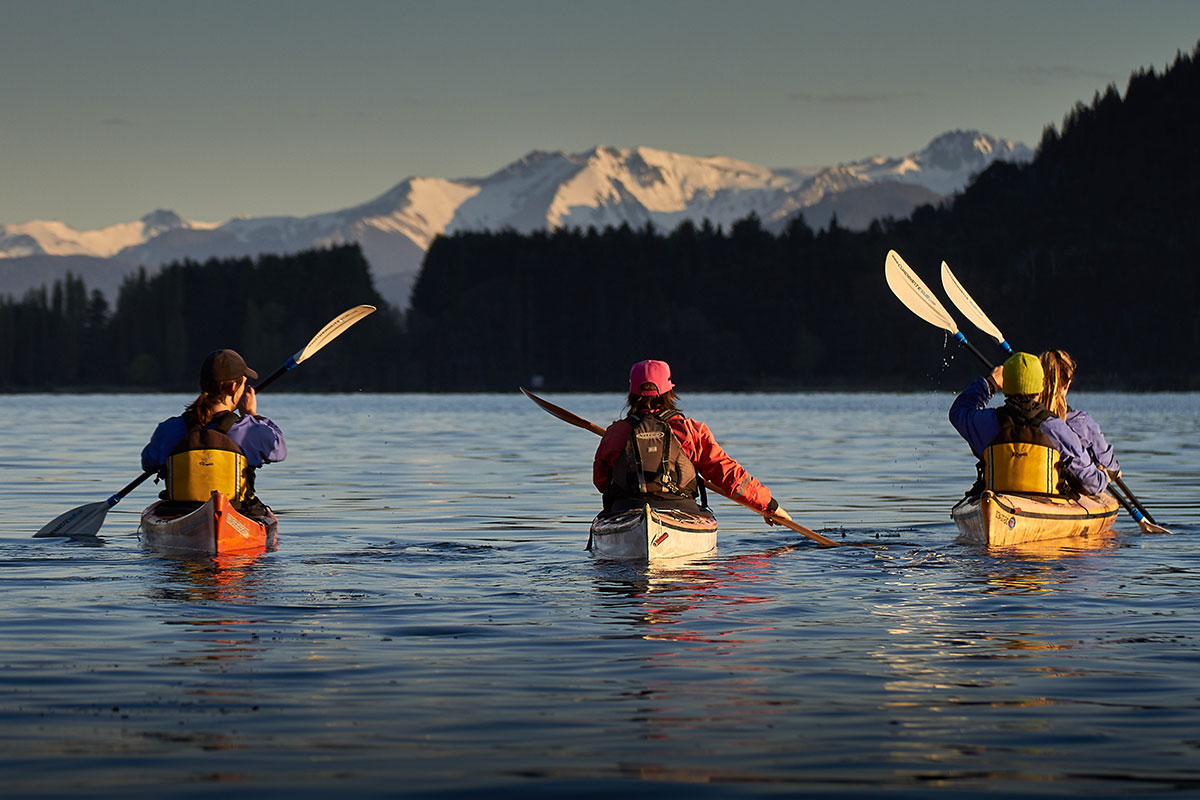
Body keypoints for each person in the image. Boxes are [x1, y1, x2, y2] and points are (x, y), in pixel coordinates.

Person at [592, 359, 792, 524]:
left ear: (632, 393)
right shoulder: (691, 431)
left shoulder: (615, 433)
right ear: (669, 391)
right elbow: (729, 474)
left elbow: (601, 482)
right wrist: (769, 505)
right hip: (680, 512)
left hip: (626, 512)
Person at [141, 349, 286, 513]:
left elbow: (148, 463)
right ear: (233, 388)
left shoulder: (168, 429)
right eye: (243, 385)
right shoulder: (249, 430)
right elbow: (279, 449)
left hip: (180, 512)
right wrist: (252, 414)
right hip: (234, 512)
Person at [949, 351, 1107, 497]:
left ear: (1005, 387)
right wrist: (1103, 475)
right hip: (1046, 502)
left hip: (999, 500)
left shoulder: (987, 422)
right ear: (1040, 388)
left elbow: (958, 411)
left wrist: (990, 384)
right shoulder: (1058, 429)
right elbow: (1090, 483)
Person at [1040, 349, 1121, 477]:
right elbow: (1109, 465)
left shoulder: (1022, 417)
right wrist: (1109, 473)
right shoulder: (1081, 422)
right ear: (1067, 385)